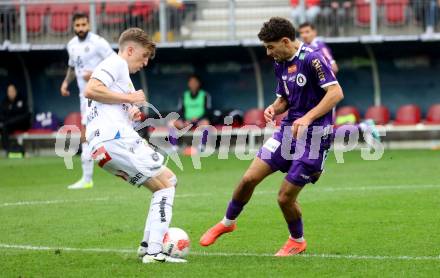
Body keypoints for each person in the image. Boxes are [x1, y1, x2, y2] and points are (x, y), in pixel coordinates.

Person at [199, 17, 344, 256]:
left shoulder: (313, 58)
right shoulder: (280, 62)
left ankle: (297, 240)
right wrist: (274, 108)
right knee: (248, 179)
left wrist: (307, 118)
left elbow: (335, 92)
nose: (268, 53)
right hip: (288, 131)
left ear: (285, 41)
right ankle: (227, 223)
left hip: (315, 136)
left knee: (284, 198)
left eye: (270, 47)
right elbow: (285, 98)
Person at [84, 27, 185, 263]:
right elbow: (91, 89)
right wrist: (130, 99)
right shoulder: (115, 63)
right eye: (144, 56)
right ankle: (155, 252)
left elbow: (107, 102)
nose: (146, 63)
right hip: (116, 140)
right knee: (167, 186)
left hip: (102, 147)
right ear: (130, 50)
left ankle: (148, 245)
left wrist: (131, 112)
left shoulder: (122, 77)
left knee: (166, 182)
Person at [60, 12, 114, 190]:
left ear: (89, 25)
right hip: (85, 97)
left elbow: (115, 62)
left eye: (84, 25)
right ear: (73, 27)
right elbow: (72, 66)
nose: (81, 28)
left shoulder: (98, 42)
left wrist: (96, 74)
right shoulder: (71, 45)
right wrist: (66, 82)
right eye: (78, 26)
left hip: (102, 94)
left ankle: (88, 177)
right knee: (87, 135)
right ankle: (87, 178)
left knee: (93, 134)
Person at [169, 74, 211, 152]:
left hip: (199, 121)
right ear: (188, 84)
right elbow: (180, 111)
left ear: (198, 83)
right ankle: (174, 147)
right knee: (171, 123)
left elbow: (208, 111)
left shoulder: (204, 95)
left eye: (195, 82)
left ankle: (201, 146)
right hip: (186, 121)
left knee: (206, 123)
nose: (193, 84)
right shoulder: (184, 95)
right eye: (191, 82)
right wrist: (184, 120)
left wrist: (197, 119)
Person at [0, 84, 30, 154]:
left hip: (22, 124)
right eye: (9, 91)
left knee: (6, 125)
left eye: (12, 91)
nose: (11, 93)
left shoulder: (22, 100)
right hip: (8, 126)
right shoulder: (5, 102)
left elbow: (26, 115)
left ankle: (10, 150)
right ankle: (8, 150)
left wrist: (10, 121)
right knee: (4, 127)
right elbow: (2, 115)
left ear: (16, 91)